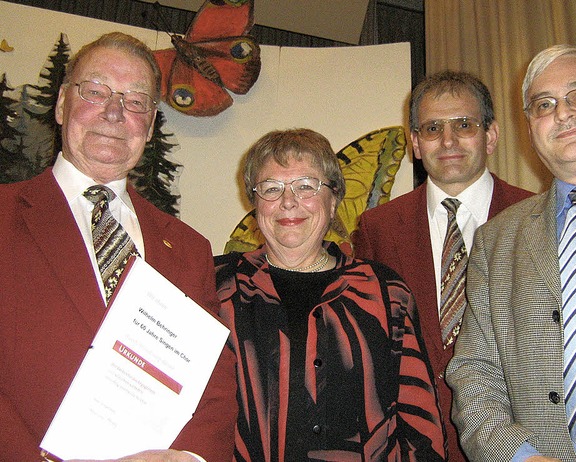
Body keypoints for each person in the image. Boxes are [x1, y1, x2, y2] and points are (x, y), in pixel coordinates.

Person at [0, 32, 236, 461]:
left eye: (135, 101)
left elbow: (213, 383)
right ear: (60, 105)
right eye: (95, 92)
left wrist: (188, 457)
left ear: (149, 126)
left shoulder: (189, 248)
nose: (113, 112)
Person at [446, 44, 576, 462]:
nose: (564, 113)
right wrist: (520, 457)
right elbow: (474, 373)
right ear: (531, 129)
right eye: (544, 105)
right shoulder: (497, 240)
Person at [214, 128, 446, 461]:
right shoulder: (217, 287)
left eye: (306, 186)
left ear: (334, 199)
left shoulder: (385, 292)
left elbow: (420, 421)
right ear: (255, 203)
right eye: (271, 188)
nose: (288, 201)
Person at [352, 70, 533, 461]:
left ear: (491, 135)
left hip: (522, 442)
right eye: (433, 128)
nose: (448, 141)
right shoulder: (377, 228)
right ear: (416, 143)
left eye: (464, 125)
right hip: (414, 443)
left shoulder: (537, 217)